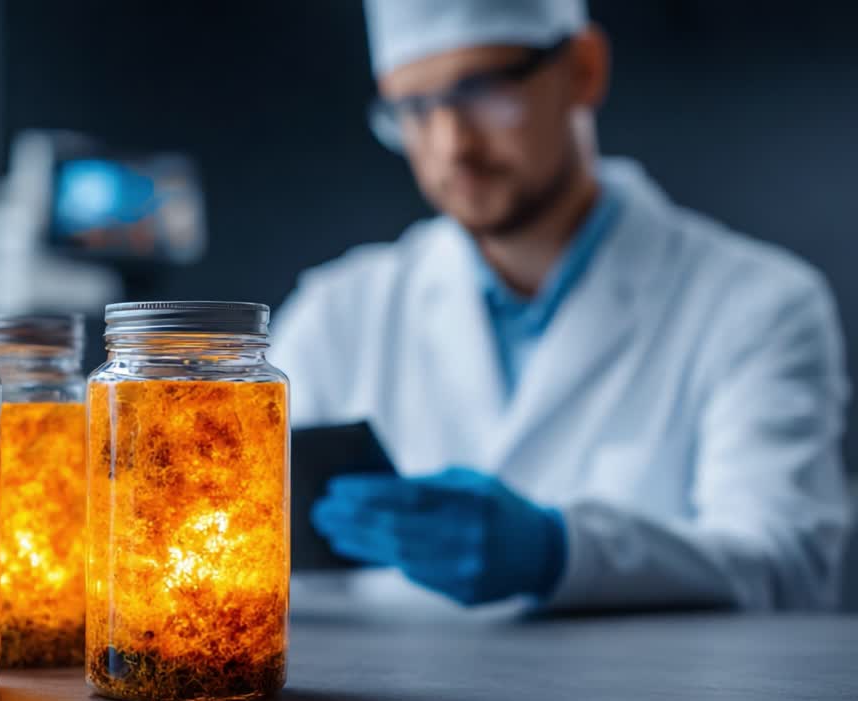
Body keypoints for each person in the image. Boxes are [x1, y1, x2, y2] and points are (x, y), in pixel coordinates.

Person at [271, 0, 852, 611]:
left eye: (484, 89)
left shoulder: (761, 306)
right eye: (413, 109)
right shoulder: (336, 316)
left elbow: (787, 570)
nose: (451, 144)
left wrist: (561, 552)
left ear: (584, 69)